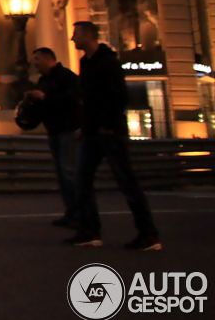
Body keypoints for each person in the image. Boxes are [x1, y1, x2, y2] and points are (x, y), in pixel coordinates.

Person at [67, 20, 161, 251]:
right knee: (82, 180)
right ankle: (90, 232)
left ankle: (148, 234)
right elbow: (88, 99)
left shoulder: (108, 62)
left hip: (109, 132)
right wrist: (85, 126)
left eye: (76, 34)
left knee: (126, 182)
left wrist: (107, 125)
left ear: (88, 36)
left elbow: (118, 97)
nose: (72, 39)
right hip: (92, 132)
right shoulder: (86, 63)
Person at [27, 46, 81, 227]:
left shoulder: (66, 77)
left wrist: (45, 97)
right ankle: (71, 212)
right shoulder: (44, 79)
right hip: (54, 130)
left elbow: (73, 101)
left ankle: (80, 213)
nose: (34, 64)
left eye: (37, 60)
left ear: (48, 59)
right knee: (62, 173)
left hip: (67, 129)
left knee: (69, 172)